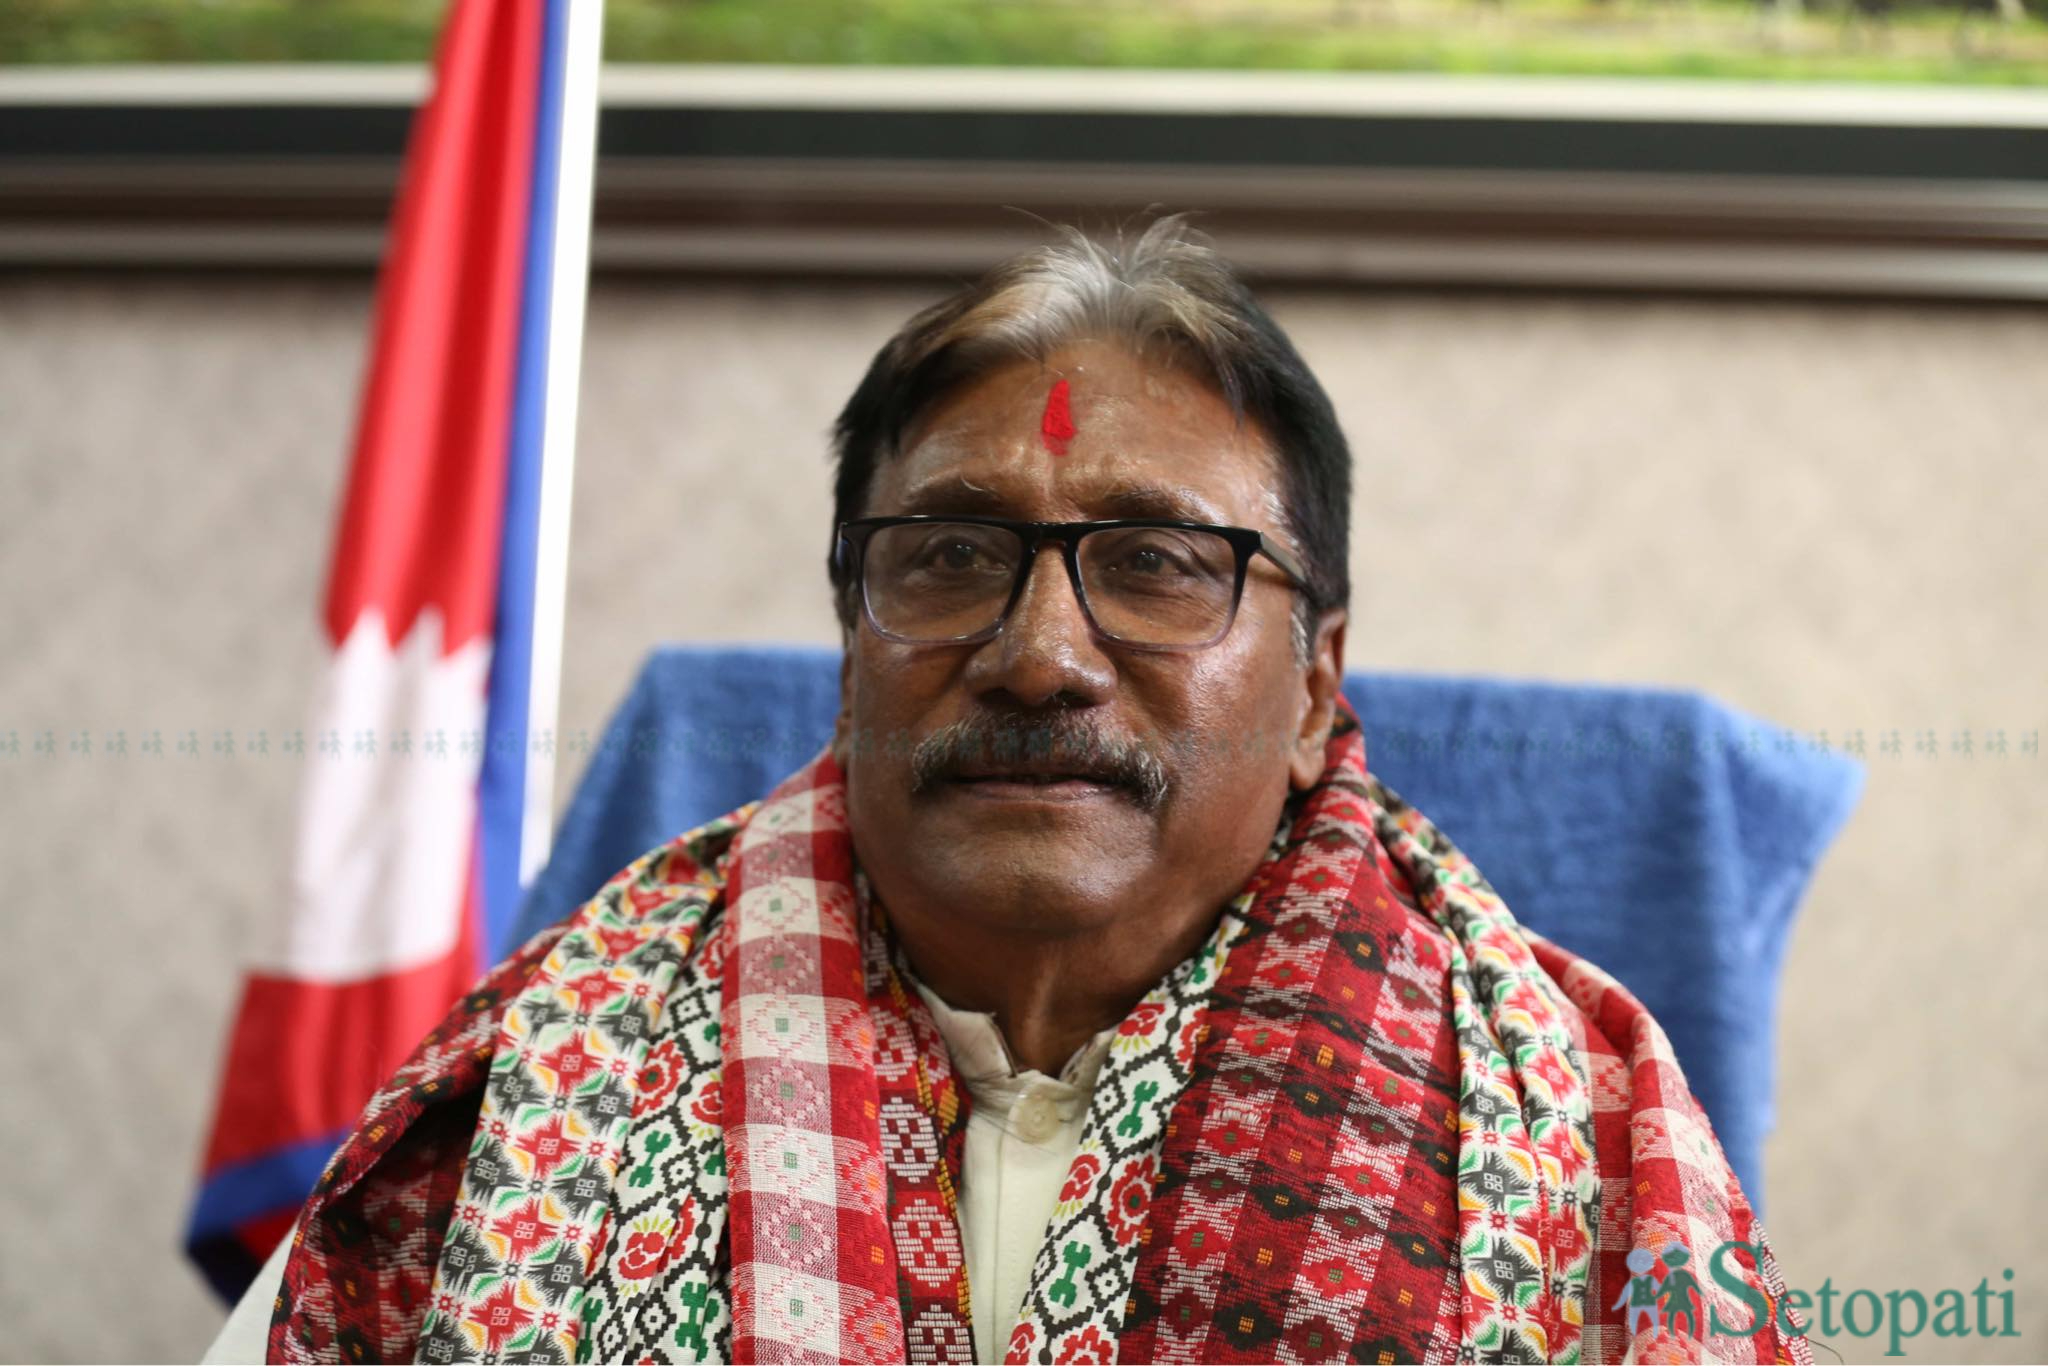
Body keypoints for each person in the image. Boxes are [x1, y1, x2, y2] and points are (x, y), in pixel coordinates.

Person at [209, 216, 1807, 1365]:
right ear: (851, 651)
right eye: (953, 556)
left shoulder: (1587, 1143)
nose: (1040, 656)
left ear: (1319, 687)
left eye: (1159, 563)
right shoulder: (517, 1105)